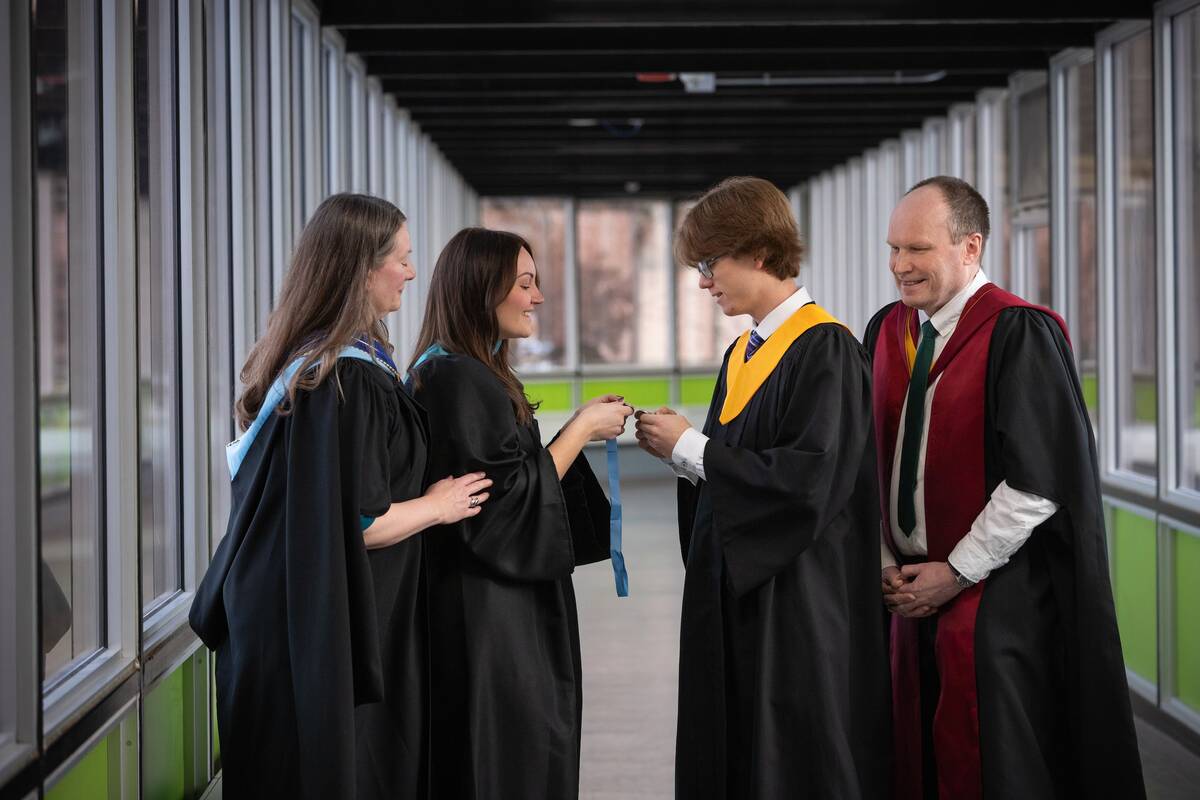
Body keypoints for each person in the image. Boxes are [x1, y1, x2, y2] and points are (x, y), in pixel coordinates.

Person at [190, 194, 490, 800]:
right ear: (361, 267)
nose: (411, 272)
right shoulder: (344, 378)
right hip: (313, 629)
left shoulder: (313, 363)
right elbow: (357, 520)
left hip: (284, 615)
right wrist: (440, 504)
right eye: (401, 259)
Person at [864, 175, 1145, 799]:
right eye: (893, 249)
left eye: (917, 249)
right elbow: (870, 459)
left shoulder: (1019, 331)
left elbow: (1038, 481)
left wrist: (955, 572)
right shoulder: (888, 331)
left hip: (995, 598)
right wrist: (887, 561)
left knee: (995, 763)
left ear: (971, 247)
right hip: (905, 595)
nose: (899, 267)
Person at [635, 176, 890, 799]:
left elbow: (807, 483)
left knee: (794, 751)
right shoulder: (745, 352)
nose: (702, 282)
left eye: (709, 263)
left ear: (756, 251)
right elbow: (738, 467)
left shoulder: (825, 348)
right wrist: (685, 453)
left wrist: (693, 449)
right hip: (742, 591)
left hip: (799, 596)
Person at [406, 227, 631, 800]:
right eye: (525, 284)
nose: (537, 297)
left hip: (486, 605)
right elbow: (500, 503)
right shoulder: (460, 378)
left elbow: (506, 473)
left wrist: (575, 428)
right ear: (483, 290)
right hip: (489, 615)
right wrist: (580, 431)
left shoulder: (458, 369)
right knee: (508, 757)